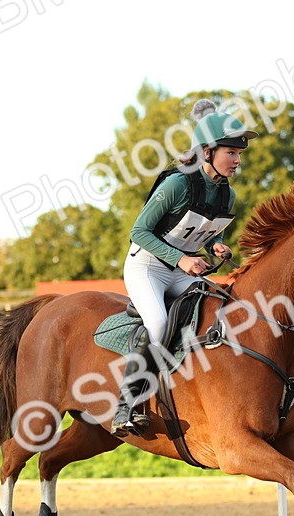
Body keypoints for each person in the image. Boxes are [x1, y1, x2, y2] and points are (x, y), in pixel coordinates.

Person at [110, 99, 258, 437]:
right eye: (231, 153)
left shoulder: (227, 195)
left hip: (181, 271)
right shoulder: (177, 184)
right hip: (147, 267)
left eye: (238, 154)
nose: (237, 160)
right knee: (160, 322)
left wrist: (214, 244)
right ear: (207, 152)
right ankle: (125, 406)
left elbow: (198, 229)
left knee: (218, 308)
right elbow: (138, 232)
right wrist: (182, 258)